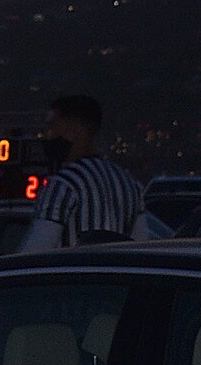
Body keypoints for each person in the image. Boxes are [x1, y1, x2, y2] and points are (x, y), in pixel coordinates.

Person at [21, 93, 144, 248]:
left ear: (73, 131)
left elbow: (35, 249)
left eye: (52, 126)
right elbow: (140, 243)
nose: (47, 135)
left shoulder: (63, 185)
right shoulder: (129, 184)